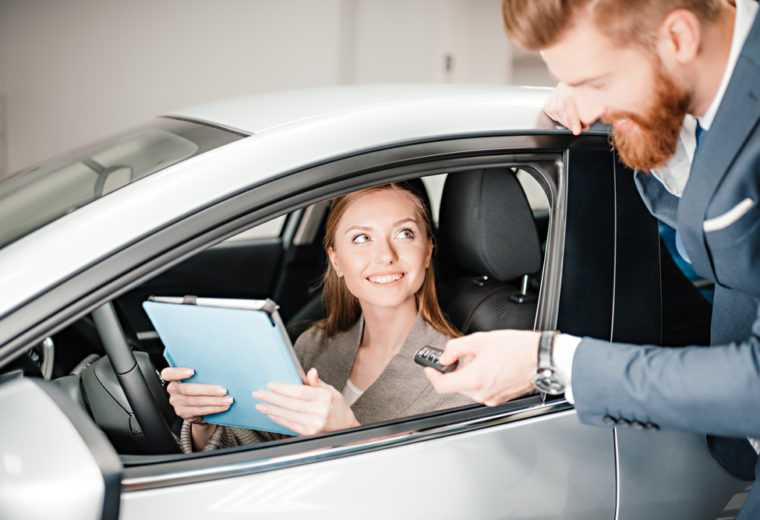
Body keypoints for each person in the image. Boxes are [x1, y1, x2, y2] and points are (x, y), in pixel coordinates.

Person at [425, 1, 760, 517]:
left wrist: (551, 360)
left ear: (678, 37)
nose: (586, 110)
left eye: (595, 81)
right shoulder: (707, 96)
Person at [162, 182, 473, 452]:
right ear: (336, 260)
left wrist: (349, 434)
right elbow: (264, 444)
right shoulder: (313, 345)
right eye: (362, 239)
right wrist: (205, 420)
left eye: (405, 233)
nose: (385, 255)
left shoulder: (463, 375)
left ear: (429, 250)